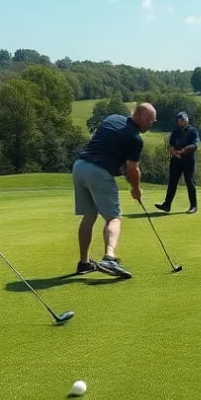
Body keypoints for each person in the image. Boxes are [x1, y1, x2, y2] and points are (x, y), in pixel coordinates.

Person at [72, 102, 157, 279]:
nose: (151, 125)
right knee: (114, 218)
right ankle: (109, 258)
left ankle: (84, 263)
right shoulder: (135, 139)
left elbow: (104, 143)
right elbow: (132, 169)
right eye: (151, 121)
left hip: (79, 167)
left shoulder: (112, 118)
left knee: (89, 216)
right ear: (143, 117)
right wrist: (136, 189)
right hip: (98, 172)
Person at [155, 110, 200, 214]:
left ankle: (193, 206)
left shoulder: (192, 131)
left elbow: (194, 145)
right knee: (172, 182)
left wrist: (183, 151)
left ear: (187, 120)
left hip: (188, 160)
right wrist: (172, 151)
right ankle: (167, 205)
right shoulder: (175, 132)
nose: (181, 121)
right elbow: (171, 145)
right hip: (176, 160)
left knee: (190, 182)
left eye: (183, 119)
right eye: (179, 120)